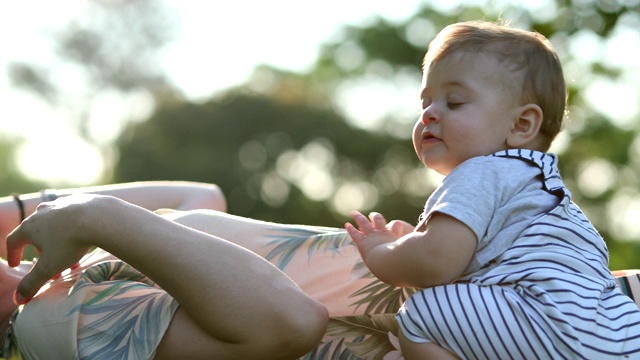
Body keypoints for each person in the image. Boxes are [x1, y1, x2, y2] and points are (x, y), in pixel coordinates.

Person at [344, 20, 640, 359]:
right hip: (616, 334)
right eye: (425, 102)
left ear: (521, 125)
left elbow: (435, 265)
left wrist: (382, 251)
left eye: (454, 102)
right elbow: (476, 260)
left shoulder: (481, 172)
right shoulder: (541, 190)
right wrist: (417, 237)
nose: (429, 114)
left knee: (419, 318)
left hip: (544, 318)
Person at [1, 182, 329, 359]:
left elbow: (201, 196)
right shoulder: (48, 322)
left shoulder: (72, 269)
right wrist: (90, 215)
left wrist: (32, 210)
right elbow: (293, 323)